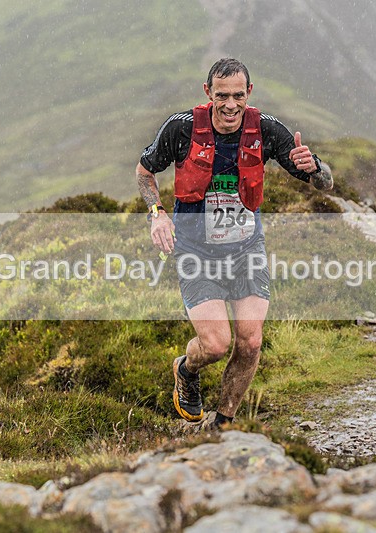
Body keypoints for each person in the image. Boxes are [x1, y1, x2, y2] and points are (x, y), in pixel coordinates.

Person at [136, 58, 333, 429]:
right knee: (214, 345)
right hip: (196, 251)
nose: (230, 105)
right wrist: (156, 213)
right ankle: (186, 367)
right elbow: (145, 172)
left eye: (238, 95)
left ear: (249, 94)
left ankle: (223, 423)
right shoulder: (181, 129)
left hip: (246, 250)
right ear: (208, 92)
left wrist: (315, 169)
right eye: (222, 95)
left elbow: (326, 184)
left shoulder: (267, 130)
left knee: (250, 342)